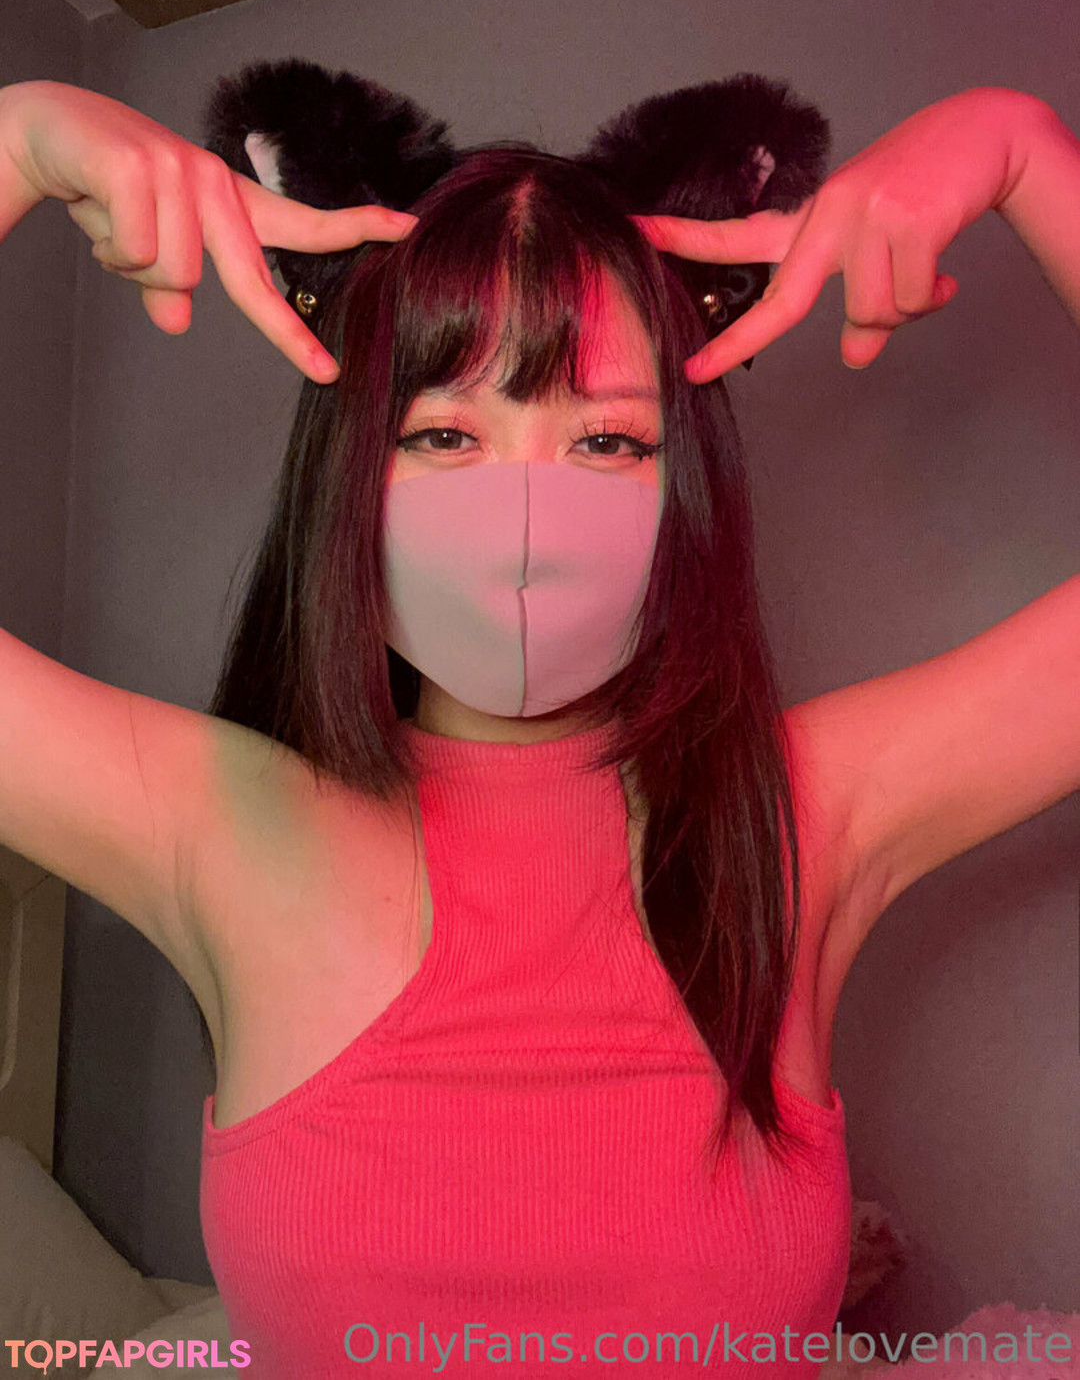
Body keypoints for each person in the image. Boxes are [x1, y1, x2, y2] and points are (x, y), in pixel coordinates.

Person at [0, 76, 1076, 1378]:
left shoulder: (803, 812)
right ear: (350, 476)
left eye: (608, 442)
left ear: (688, 486)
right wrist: (22, 135)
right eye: (445, 433)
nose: (523, 524)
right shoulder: (218, 820)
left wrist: (1019, 150)